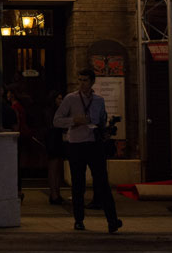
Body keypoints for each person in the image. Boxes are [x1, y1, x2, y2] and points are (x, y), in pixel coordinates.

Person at [53, 69, 123, 234]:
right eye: (80, 80)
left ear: (92, 82)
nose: (82, 83)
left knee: (102, 182)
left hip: (94, 143)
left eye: (85, 80)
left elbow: (102, 120)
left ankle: (112, 220)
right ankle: (79, 220)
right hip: (76, 144)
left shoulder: (99, 100)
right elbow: (57, 120)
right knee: (78, 183)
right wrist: (74, 120)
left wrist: (105, 130)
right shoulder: (71, 99)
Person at [44, 91, 66, 205]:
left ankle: (57, 192)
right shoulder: (50, 112)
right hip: (53, 140)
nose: (61, 101)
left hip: (57, 140)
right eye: (59, 98)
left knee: (58, 167)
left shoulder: (58, 111)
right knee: (53, 167)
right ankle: (54, 193)